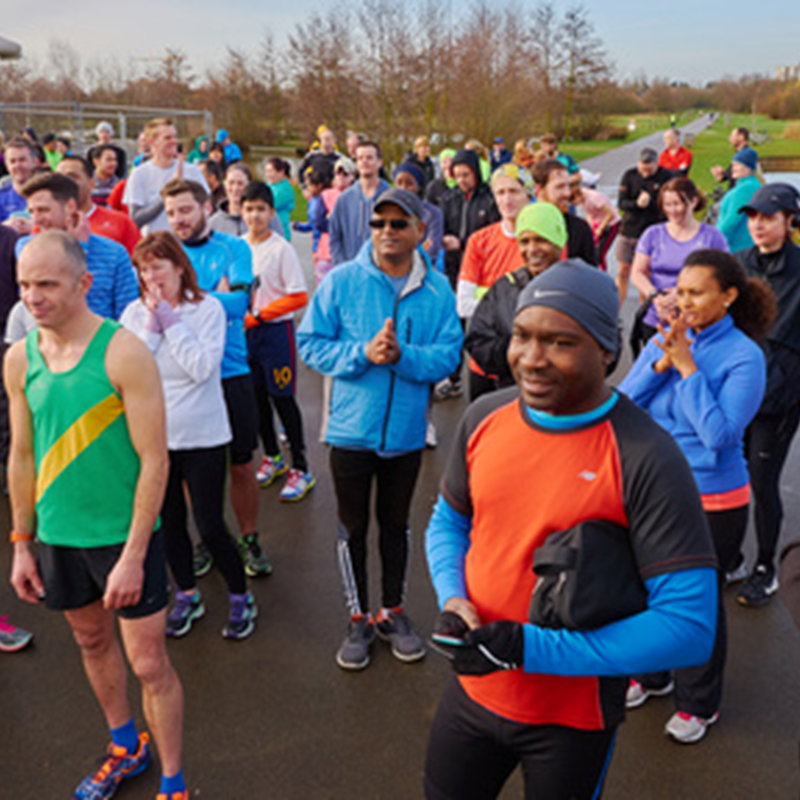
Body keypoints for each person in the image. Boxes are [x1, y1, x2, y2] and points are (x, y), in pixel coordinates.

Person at [424, 261, 717, 800]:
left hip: (570, 720)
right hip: (472, 694)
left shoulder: (646, 455)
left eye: (559, 342)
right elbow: (450, 518)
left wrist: (532, 649)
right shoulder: (484, 416)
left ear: (606, 351)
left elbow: (689, 625)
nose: (531, 360)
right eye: (522, 336)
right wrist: (453, 595)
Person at [6, 230, 187, 800]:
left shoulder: (123, 352)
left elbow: (155, 459)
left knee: (150, 663)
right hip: (59, 535)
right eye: (23, 285)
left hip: (122, 537)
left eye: (46, 284)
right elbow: (23, 453)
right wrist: (21, 542)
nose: (32, 297)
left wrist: (134, 555)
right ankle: (124, 746)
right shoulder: (19, 357)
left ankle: (174, 781)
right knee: (90, 643)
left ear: (84, 284)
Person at [298, 188, 462, 670]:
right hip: (350, 432)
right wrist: (360, 354)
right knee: (353, 528)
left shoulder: (437, 291)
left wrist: (403, 357)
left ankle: (393, 611)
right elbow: (310, 343)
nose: (386, 232)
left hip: (407, 434)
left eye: (398, 223)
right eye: (378, 223)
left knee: (395, 526)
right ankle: (357, 617)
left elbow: (450, 355)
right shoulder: (343, 281)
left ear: (420, 231)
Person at [620, 249, 773, 743]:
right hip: (652, 488)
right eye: (678, 291)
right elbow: (622, 404)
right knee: (647, 590)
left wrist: (687, 370)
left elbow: (720, 436)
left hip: (712, 499)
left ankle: (699, 704)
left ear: (728, 297)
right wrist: (661, 360)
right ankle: (654, 674)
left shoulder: (745, 355)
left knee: (697, 602)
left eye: (695, 293)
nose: (681, 302)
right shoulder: (666, 338)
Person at [121, 231, 256, 641]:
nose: (150, 277)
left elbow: (202, 368)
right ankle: (186, 594)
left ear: (179, 267)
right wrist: (152, 325)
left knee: (210, 524)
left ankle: (240, 596)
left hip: (203, 434)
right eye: (143, 270)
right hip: (154, 436)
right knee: (170, 523)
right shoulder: (132, 313)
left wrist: (172, 323)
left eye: (157, 267)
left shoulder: (209, 309)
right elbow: (133, 371)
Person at [161, 178, 271, 579]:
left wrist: (182, 298)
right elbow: (157, 302)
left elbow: (240, 302)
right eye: (172, 213)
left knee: (242, 464)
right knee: (192, 468)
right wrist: (211, 296)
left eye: (186, 210)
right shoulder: (166, 251)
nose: (179, 220)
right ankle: (208, 537)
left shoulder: (234, 247)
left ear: (207, 206)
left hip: (231, 371)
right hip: (184, 376)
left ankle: (248, 537)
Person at [734, 183, 800, 606]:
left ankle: (765, 566)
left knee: (762, 481)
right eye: (753, 217)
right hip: (735, 391)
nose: (757, 225)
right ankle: (729, 558)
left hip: (780, 399)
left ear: (789, 221)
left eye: (768, 217)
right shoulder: (738, 266)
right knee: (727, 475)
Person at [241, 181, 314, 501]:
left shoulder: (281, 248)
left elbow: (299, 296)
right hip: (246, 335)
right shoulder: (238, 246)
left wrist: (260, 315)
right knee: (256, 399)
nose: (255, 215)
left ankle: (301, 466)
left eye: (260, 209)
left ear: (272, 213)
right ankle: (272, 457)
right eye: (249, 209)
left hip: (275, 334)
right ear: (240, 211)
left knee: (281, 399)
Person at [464, 201, 567, 391]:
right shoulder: (505, 287)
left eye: (541, 240)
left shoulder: (581, 286)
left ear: (559, 240)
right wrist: (522, 352)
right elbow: (477, 341)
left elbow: (609, 346)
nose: (532, 249)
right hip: (513, 394)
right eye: (524, 241)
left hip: (568, 400)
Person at [18, 172, 139, 321]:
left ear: (70, 207)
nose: (36, 220)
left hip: (104, 340)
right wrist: (80, 249)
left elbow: (129, 315)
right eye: (31, 212)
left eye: (44, 210)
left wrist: (79, 248)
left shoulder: (115, 253)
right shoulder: (26, 248)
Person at [457, 165, 531, 399]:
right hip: (483, 362)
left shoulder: (540, 244)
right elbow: (463, 304)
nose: (507, 199)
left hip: (525, 362)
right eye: (500, 192)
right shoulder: (479, 241)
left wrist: (487, 299)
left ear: (527, 194)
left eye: (514, 191)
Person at [631, 178, 728, 343]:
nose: (673, 210)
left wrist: (682, 294)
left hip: (696, 320)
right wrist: (656, 297)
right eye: (667, 205)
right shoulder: (653, 234)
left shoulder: (711, 237)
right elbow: (637, 272)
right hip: (658, 317)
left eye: (677, 204)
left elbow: (725, 275)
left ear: (693, 201)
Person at [438, 149, 501, 399]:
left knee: (482, 328)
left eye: (466, 174)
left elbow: (492, 235)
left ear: (476, 172)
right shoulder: (449, 198)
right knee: (455, 328)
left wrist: (462, 243)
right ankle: (454, 378)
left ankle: (488, 373)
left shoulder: (489, 199)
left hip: (482, 275)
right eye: (457, 175)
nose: (461, 180)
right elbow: (440, 227)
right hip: (454, 271)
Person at [123, 118, 208, 234]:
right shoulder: (139, 174)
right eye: (167, 138)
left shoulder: (192, 170)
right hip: (158, 246)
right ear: (152, 142)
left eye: (175, 136)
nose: (174, 141)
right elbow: (136, 220)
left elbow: (207, 209)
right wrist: (168, 192)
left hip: (190, 246)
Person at [615, 147, 672, 304]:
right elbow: (622, 203)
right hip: (629, 230)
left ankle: (644, 310)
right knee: (623, 270)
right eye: (643, 169)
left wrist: (650, 203)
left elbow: (668, 206)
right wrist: (637, 204)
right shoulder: (630, 175)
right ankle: (616, 309)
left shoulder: (665, 177)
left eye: (649, 170)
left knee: (645, 274)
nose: (645, 173)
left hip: (652, 232)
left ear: (656, 164)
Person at [56, 156, 141, 256]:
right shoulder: (46, 223)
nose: (65, 183)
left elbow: (141, 262)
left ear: (91, 184)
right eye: (59, 178)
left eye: (72, 177)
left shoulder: (121, 222)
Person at [329, 140, 390, 265]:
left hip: (382, 271)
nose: (364, 162)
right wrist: (341, 266)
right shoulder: (344, 199)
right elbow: (335, 237)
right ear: (356, 163)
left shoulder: (390, 198)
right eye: (360, 158)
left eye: (369, 157)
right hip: (351, 270)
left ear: (379, 163)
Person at [532, 159, 597, 265]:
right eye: (559, 187)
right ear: (539, 190)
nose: (567, 193)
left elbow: (591, 275)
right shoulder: (525, 228)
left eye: (568, 186)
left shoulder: (579, 229)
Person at [209, 163, 285, 239]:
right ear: (224, 184)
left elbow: (280, 244)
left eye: (240, 183)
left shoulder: (267, 216)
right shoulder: (214, 223)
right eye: (231, 183)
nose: (235, 188)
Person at [393, 162, 444, 265]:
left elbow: (431, 250)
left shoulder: (433, 214)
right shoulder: (388, 212)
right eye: (399, 183)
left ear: (419, 186)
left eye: (409, 184)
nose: (403, 188)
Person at [570, 178, 620, 272]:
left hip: (611, 223)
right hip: (598, 222)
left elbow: (610, 214)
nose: (574, 204)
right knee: (592, 251)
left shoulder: (594, 197)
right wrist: (590, 228)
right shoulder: (582, 200)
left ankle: (602, 274)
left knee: (600, 253)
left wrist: (601, 228)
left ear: (578, 195)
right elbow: (589, 214)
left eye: (574, 202)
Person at [716, 149, 760, 252]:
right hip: (738, 246)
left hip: (737, 247)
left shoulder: (747, 188)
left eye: (737, 165)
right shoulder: (745, 185)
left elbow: (732, 219)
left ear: (748, 168)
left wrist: (715, 238)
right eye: (733, 165)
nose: (733, 168)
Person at [0, 137, 36, 234]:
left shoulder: (48, 195)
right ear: (7, 166)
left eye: (22, 160)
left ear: (34, 162)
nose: (18, 166)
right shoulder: (1, 196)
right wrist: (5, 227)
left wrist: (37, 226)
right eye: (13, 161)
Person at [264, 157, 296, 241]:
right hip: (267, 229)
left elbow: (269, 204)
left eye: (271, 171)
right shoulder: (269, 186)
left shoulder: (284, 189)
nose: (268, 174)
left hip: (280, 231)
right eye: (266, 171)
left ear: (281, 172)